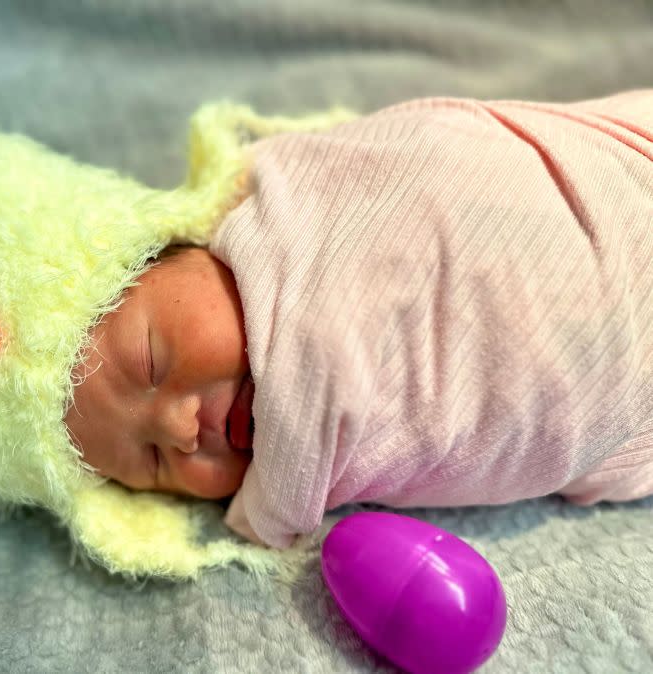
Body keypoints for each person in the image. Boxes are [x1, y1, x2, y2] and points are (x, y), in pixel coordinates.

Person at [66, 90, 653, 548]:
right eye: (155, 461)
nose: (179, 429)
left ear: (190, 246)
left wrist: (269, 515)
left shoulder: (298, 202)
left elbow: (423, 171)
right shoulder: (308, 473)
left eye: (150, 359)